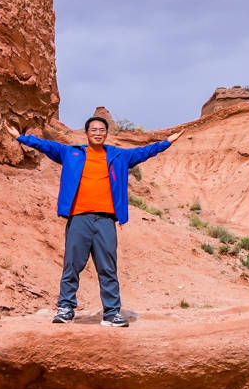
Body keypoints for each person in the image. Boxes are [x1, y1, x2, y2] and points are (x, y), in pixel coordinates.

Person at [17, 115, 171, 327]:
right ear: (87, 133)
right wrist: (21, 138)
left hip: (106, 219)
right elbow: (45, 145)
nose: (98, 133)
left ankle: (111, 313)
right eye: (94, 130)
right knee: (72, 264)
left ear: (106, 133)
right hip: (79, 217)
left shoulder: (119, 156)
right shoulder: (70, 152)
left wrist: (167, 142)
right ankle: (66, 309)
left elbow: (145, 152)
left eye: (102, 130)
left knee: (108, 267)